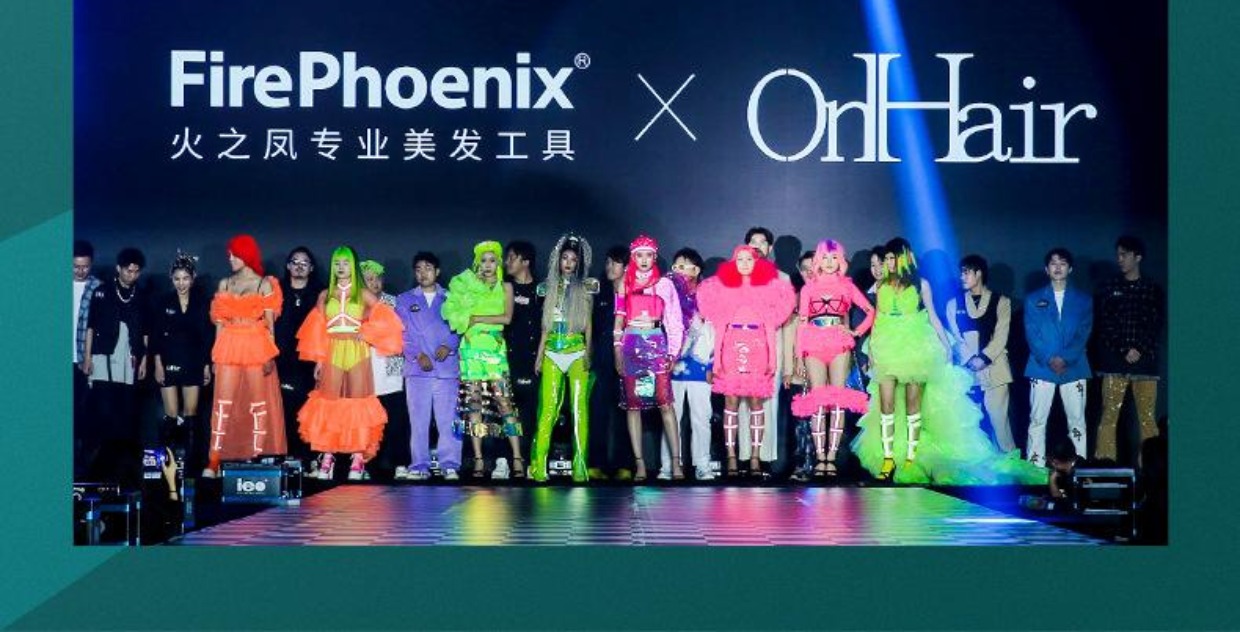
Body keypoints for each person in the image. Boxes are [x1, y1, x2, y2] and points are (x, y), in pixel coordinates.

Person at [851, 238, 1044, 485]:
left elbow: (932, 315)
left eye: (891, 258)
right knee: (886, 405)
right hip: (887, 347)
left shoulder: (921, 284)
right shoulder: (882, 286)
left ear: (903, 258)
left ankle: (910, 458)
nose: (887, 263)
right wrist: (872, 350)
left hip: (914, 347)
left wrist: (944, 344)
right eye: (885, 259)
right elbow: (878, 318)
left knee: (912, 406)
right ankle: (888, 459)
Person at [297, 246, 403, 481]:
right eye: (337, 263)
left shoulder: (363, 294)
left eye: (345, 263)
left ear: (353, 266)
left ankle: (357, 458)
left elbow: (387, 320)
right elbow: (317, 329)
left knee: (358, 403)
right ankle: (327, 456)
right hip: (333, 350)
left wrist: (366, 332)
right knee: (329, 402)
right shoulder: (325, 295)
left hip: (357, 352)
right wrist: (319, 359)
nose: (341, 267)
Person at [698, 245, 796, 478]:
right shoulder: (725, 288)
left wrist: (772, 359)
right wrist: (717, 360)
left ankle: (755, 457)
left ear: (757, 262)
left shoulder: (767, 288)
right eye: (739, 259)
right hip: (731, 345)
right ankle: (732, 456)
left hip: (758, 346)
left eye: (749, 259)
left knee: (756, 402)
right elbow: (720, 327)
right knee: (730, 402)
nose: (744, 263)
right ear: (733, 262)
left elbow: (770, 327)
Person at [203, 235, 287, 478]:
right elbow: (220, 323)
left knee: (258, 403)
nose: (230, 259)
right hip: (229, 344)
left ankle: (258, 455)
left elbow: (270, 325)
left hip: (255, 345)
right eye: (229, 255)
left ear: (247, 255)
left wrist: (269, 355)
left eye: (235, 255)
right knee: (223, 403)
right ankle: (215, 459)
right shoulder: (225, 284)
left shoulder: (264, 284)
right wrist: (215, 356)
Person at [791, 240, 874, 478]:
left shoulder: (847, 286)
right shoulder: (809, 288)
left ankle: (831, 458)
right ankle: (820, 458)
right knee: (818, 400)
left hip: (839, 343)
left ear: (840, 260)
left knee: (838, 399)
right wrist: (798, 355)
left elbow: (870, 311)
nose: (829, 262)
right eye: (825, 258)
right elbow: (802, 323)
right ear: (818, 260)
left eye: (834, 257)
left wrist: (856, 332)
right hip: (813, 343)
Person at [442, 241, 521, 480]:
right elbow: (455, 314)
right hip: (471, 348)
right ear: (477, 264)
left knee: (505, 403)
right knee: (474, 406)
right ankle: (478, 459)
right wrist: (469, 316)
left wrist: (476, 318)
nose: (488, 265)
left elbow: (507, 318)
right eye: (483, 261)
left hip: (495, 348)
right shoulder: (468, 286)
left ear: (498, 263)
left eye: (492, 260)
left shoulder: (506, 287)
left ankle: (517, 458)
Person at [613, 235, 685, 482]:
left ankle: (676, 462)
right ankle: (640, 464)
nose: (644, 260)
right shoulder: (624, 283)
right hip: (631, 346)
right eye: (639, 255)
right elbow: (618, 322)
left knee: (665, 403)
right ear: (633, 258)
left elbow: (674, 322)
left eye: (648, 255)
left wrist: (673, 353)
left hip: (656, 345)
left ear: (655, 257)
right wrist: (617, 352)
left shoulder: (664, 285)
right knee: (633, 406)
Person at [530, 234, 597, 482]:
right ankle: (538, 467)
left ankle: (580, 468)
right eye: (565, 258)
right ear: (558, 261)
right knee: (547, 410)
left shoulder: (587, 287)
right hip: (552, 353)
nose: (568, 263)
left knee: (580, 410)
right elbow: (545, 327)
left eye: (573, 259)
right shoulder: (547, 288)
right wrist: (539, 356)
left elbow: (588, 325)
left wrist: (588, 352)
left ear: (578, 263)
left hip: (577, 352)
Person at [1093, 236, 1163, 465]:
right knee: (1109, 415)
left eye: (1124, 255)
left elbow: (1156, 324)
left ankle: (1151, 467)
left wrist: (1139, 349)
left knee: (1147, 418)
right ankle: (1104, 465)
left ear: (1138, 257)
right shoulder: (1110, 287)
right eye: (1118, 255)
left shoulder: (1152, 289)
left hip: (1145, 364)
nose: (1120, 259)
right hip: (1114, 361)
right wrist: (1125, 349)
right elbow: (1105, 323)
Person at [82, 247, 148, 481]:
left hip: (128, 356)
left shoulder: (140, 295)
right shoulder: (102, 291)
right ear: (118, 268)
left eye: (136, 271)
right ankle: (101, 466)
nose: (132, 275)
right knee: (104, 409)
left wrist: (144, 359)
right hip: (102, 355)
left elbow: (145, 332)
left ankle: (124, 467)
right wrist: (87, 357)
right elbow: (91, 327)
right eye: (128, 270)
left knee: (126, 411)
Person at [395, 252, 462, 481]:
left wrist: (449, 345)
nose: (423, 273)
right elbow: (402, 333)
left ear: (437, 271)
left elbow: (461, 327)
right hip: (417, 371)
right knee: (419, 422)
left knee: (449, 420)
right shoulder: (404, 300)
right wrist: (417, 354)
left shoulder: (452, 298)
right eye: (419, 269)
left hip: (447, 369)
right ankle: (419, 465)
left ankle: (450, 464)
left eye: (428, 268)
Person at [1024, 247, 1093, 467]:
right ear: (1046, 269)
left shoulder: (1083, 300)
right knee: (1037, 420)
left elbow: (1084, 332)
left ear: (1070, 268)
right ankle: (1034, 468)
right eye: (1053, 263)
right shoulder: (1033, 299)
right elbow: (1032, 333)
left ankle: (1077, 468)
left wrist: (1066, 358)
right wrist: (1049, 358)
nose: (1057, 267)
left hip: (1074, 366)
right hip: (1042, 366)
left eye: (1062, 263)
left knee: (1077, 421)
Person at [945, 254, 1016, 453]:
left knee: (998, 418)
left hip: (995, 367)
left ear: (979, 273)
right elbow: (954, 336)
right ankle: (972, 462)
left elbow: (1001, 335)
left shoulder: (1001, 302)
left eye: (966, 272)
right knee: (969, 420)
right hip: (966, 371)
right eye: (961, 273)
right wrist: (970, 359)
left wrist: (984, 357)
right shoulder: (953, 304)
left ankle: (1008, 459)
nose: (962, 277)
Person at [149, 251, 213, 469]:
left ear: (193, 278)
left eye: (185, 278)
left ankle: (192, 465)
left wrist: (206, 366)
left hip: (193, 361)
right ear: (171, 279)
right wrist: (158, 365)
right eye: (177, 279)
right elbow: (156, 335)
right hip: (169, 361)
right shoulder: (163, 302)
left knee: (191, 415)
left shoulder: (202, 302)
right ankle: (166, 465)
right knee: (170, 415)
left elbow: (206, 336)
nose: (181, 283)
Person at [738, 227, 792, 471]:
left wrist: (788, 365)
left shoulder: (782, 278)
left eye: (763, 242)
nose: (757, 245)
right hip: (742, 347)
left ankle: (765, 459)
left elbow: (787, 320)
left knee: (768, 403)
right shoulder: (736, 275)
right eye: (753, 241)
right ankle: (744, 457)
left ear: (770, 248)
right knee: (742, 402)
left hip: (771, 347)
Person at [663, 247, 716, 481]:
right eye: (678, 266)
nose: (682, 271)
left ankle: (703, 465)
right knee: (671, 416)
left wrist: (712, 364)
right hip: (672, 366)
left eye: (687, 266)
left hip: (700, 366)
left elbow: (715, 333)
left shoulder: (708, 297)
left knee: (701, 418)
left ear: (697, 270)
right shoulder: (665, 295)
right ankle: (668, 465)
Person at [274, 246, 324, 469]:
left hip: (311, 361)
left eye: (305, 263)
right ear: (288, 266)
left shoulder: (320, 294)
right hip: (283, 359)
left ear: (311, 268)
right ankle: (286, 455)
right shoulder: (277, 291)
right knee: (284, 408)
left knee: (309, 408)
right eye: (295, 262)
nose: (299, 266)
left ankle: (310, 457)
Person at [588, 246, 635, 480]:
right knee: (598, 412)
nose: (609, 267)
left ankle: (625, 465)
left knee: (626, 413)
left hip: (629, 360)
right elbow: (591, 328)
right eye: (607, 262)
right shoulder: (601, 295)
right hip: (603, 361)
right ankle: (595, 464)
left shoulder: (636, 294)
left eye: (614, 262)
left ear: (626, 267)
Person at [361, 259, 410, 479]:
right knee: (368, 422)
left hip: (391, 368)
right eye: (368, 279)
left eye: (377, 278)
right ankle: (368, 465)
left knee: (397, 420)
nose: (374, 283)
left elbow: (403, 332)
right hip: (364, 369)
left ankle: (401, 463)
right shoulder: (355, 305)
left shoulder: (394, 302)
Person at [502, 240, 540, 479]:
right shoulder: (504, 289)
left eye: (511, 258)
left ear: (525, 261)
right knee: (507, 411)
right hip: (508, 359)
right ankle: (508, 460)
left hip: (535, 362)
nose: (507, 262)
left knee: (533, 414)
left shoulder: (541, 290)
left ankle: (533, 460)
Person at [73, 240, 103, 478]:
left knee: (85, 411)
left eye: (85, 266)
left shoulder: (98, 288)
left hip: (85, 360)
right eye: (76, 266)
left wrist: (90, 358)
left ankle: (83, 462)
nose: (81, 270)